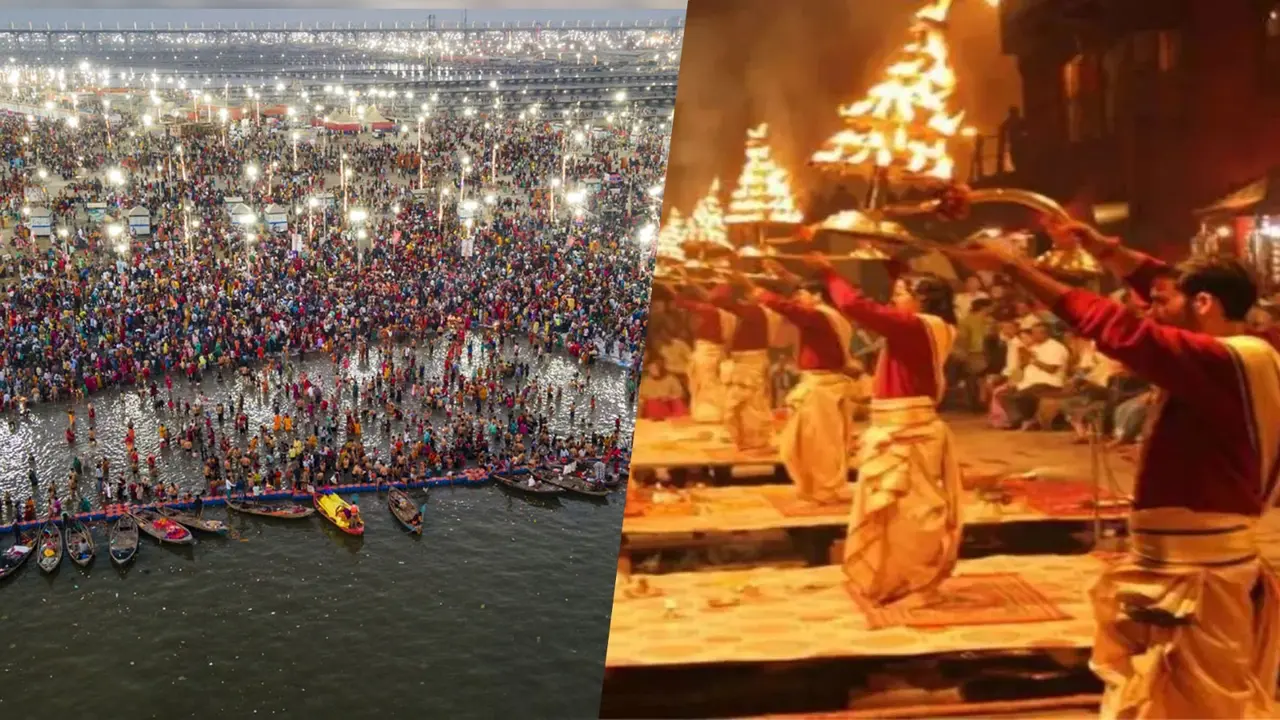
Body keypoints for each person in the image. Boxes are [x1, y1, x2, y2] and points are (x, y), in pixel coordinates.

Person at [947, 219, 1280, 718]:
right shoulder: (1245, 346)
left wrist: (1015, 266)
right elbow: (1168, 286)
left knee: (1197, 706)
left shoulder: (1222, 361)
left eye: (1160, 303)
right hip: (1184, 559)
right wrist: (1103, 249)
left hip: (1199, 573)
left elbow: (1116, 328)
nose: (1150, 309)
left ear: (1206, 304)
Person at [783, 255, 964, 606]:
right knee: (890, 512)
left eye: (899, 293)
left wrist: (827, 270)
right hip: (895, 426)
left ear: (921, 299)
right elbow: (894, 297)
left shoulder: (917, 327)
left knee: (912, 513)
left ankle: (919, 583)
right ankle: (895, 578)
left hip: (909, 431)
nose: (893, 299)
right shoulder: (926, 324)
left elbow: (853, 303)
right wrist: (889, 259)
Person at [750, 260, 863, 506]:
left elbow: (793, 310)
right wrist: (781, 273)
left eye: (802, 294)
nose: (798, 298)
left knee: (821, 444)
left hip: (824, 389)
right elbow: (797, 304)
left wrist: (765, 296)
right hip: (816, 385)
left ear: (817, 296)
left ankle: (825, 490)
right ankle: (814, 487)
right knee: (796, 444)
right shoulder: (825, 315)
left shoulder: (821, 316)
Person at [707, 280, 780, 450]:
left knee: (749, 404)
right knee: (745, 403)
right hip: (746, 361)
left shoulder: (755, 311)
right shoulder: (757, 312)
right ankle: (747, 439)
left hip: (749, 363)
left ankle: (754, 440)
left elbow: (716, 299)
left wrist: (726, 282)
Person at [673, 285, 731, 423]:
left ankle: (711, 415)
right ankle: (713, 413)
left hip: (707, 353)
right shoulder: (727, 314)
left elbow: (681, 302)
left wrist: (672, 289)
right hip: (715, 351)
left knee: (706, 384)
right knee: (710, 384)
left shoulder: (710, 311)